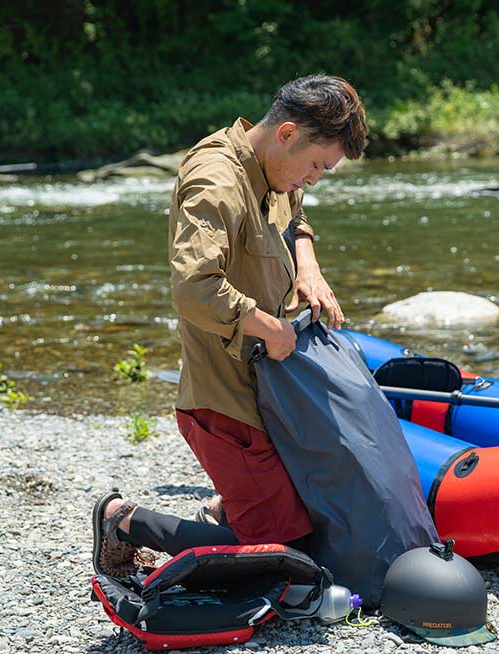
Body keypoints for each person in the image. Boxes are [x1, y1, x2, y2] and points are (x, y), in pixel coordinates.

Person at [93, 75, 368, 575]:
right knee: (289, 560)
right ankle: (123, 521)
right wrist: (270, 326)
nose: (314, 179)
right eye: (316, 166)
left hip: (274, 388)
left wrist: (307, 264)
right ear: (287, 133)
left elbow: (295, 213)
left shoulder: (276, 167)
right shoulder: (215, 180)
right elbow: (193, 288)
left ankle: (229, 511)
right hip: (225, 403)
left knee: (319, 514)